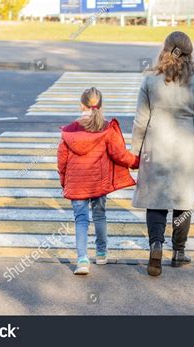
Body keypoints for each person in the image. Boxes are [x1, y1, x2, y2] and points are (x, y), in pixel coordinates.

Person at [131, 31, 194, 277]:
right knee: (183, 200)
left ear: (165, 50)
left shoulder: (150, 80)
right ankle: (179, 252)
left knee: (156, 200)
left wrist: (134, 152)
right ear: (190, 53)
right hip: (186, 150)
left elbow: (140, 121)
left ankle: (156, 246)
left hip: (155, 146)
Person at [57, 87, 140, 275]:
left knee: (81, 220)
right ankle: (101, 253)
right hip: (98, 183)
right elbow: (119, 154)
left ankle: (82, 260)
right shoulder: (106, 128)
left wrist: (64, 181)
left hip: (76, 183)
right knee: (100, 215)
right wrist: (138, 162)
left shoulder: (70, 131)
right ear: (101, 106)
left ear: (81, 105)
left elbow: (61, 160)